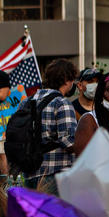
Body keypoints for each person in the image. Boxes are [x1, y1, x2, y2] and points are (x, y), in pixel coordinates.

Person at [21, 59, 77, 195]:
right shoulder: (62, 103)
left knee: (36, 215)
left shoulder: (26, 102)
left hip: (30, 173)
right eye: (72, 79)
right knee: (55, 215)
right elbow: (69, 142)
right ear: (66, 80)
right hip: (55, 172)